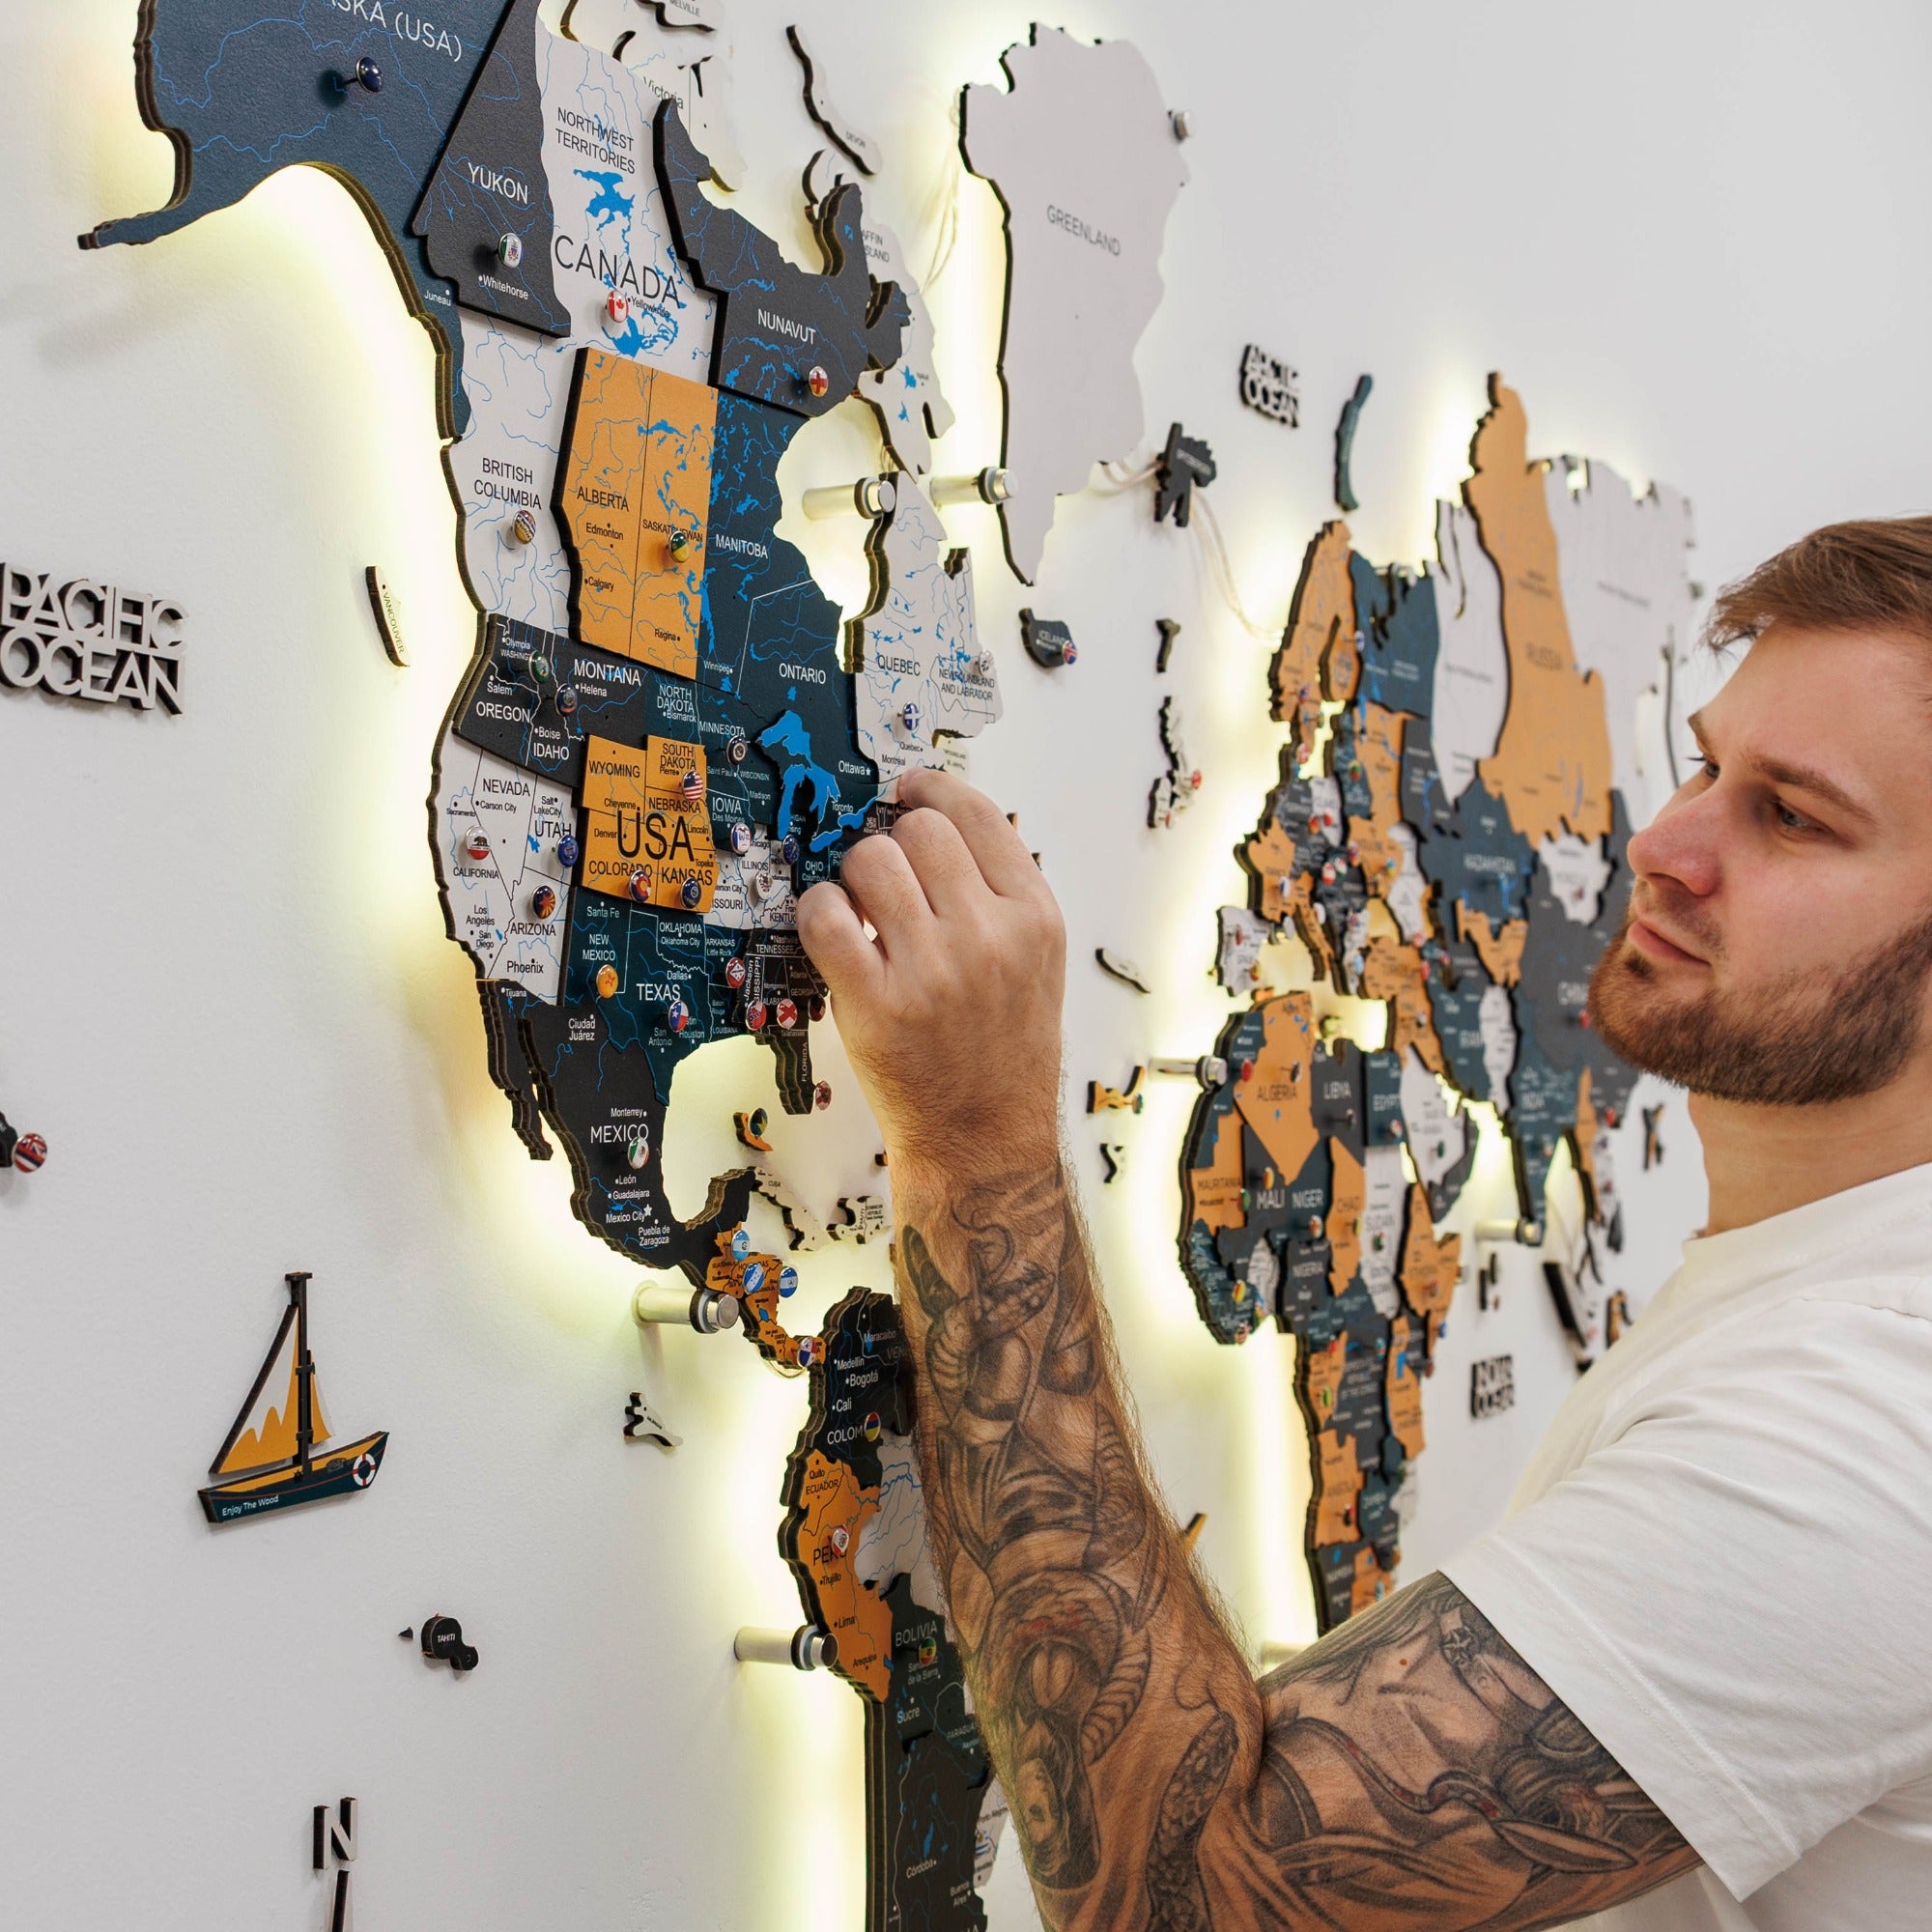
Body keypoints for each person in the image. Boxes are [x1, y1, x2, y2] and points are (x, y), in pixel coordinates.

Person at [795, 516, 1932, 1932]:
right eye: (1708, 763)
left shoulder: (1873, 1427)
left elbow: (1185, 1901)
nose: (1666, 841)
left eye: (1795, 816)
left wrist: (977, 1139)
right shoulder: (1823, 1290)